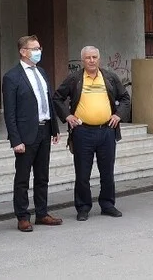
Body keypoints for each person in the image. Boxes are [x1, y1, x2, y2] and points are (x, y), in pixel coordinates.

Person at [53, 46, 131, 221]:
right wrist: (67, 116)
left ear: (99, 59)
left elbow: (125, 98)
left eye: (94, 57)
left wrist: (119, 115)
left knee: (107, 171)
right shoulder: (74, 78)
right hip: (82, 132)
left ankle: (108, 204)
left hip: (107, 131)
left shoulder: (109, 77)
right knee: (82, 173)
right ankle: (83, 207)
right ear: (82, 60)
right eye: (88, 57)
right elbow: (57, 97)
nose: (91, 60)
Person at [3, 35, 62, 232]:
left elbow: (48, 102)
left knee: (42, 175)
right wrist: (15, 140)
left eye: (39, 47)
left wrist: (54, 128)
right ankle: (22, 216)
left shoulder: (42, 73)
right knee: (22, 178)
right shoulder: (12, 77)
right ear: (23, 51)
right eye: (34, 48)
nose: (39, 51)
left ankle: (42, 213)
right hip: (25, 134)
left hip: (44, 130)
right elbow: (10, 113)